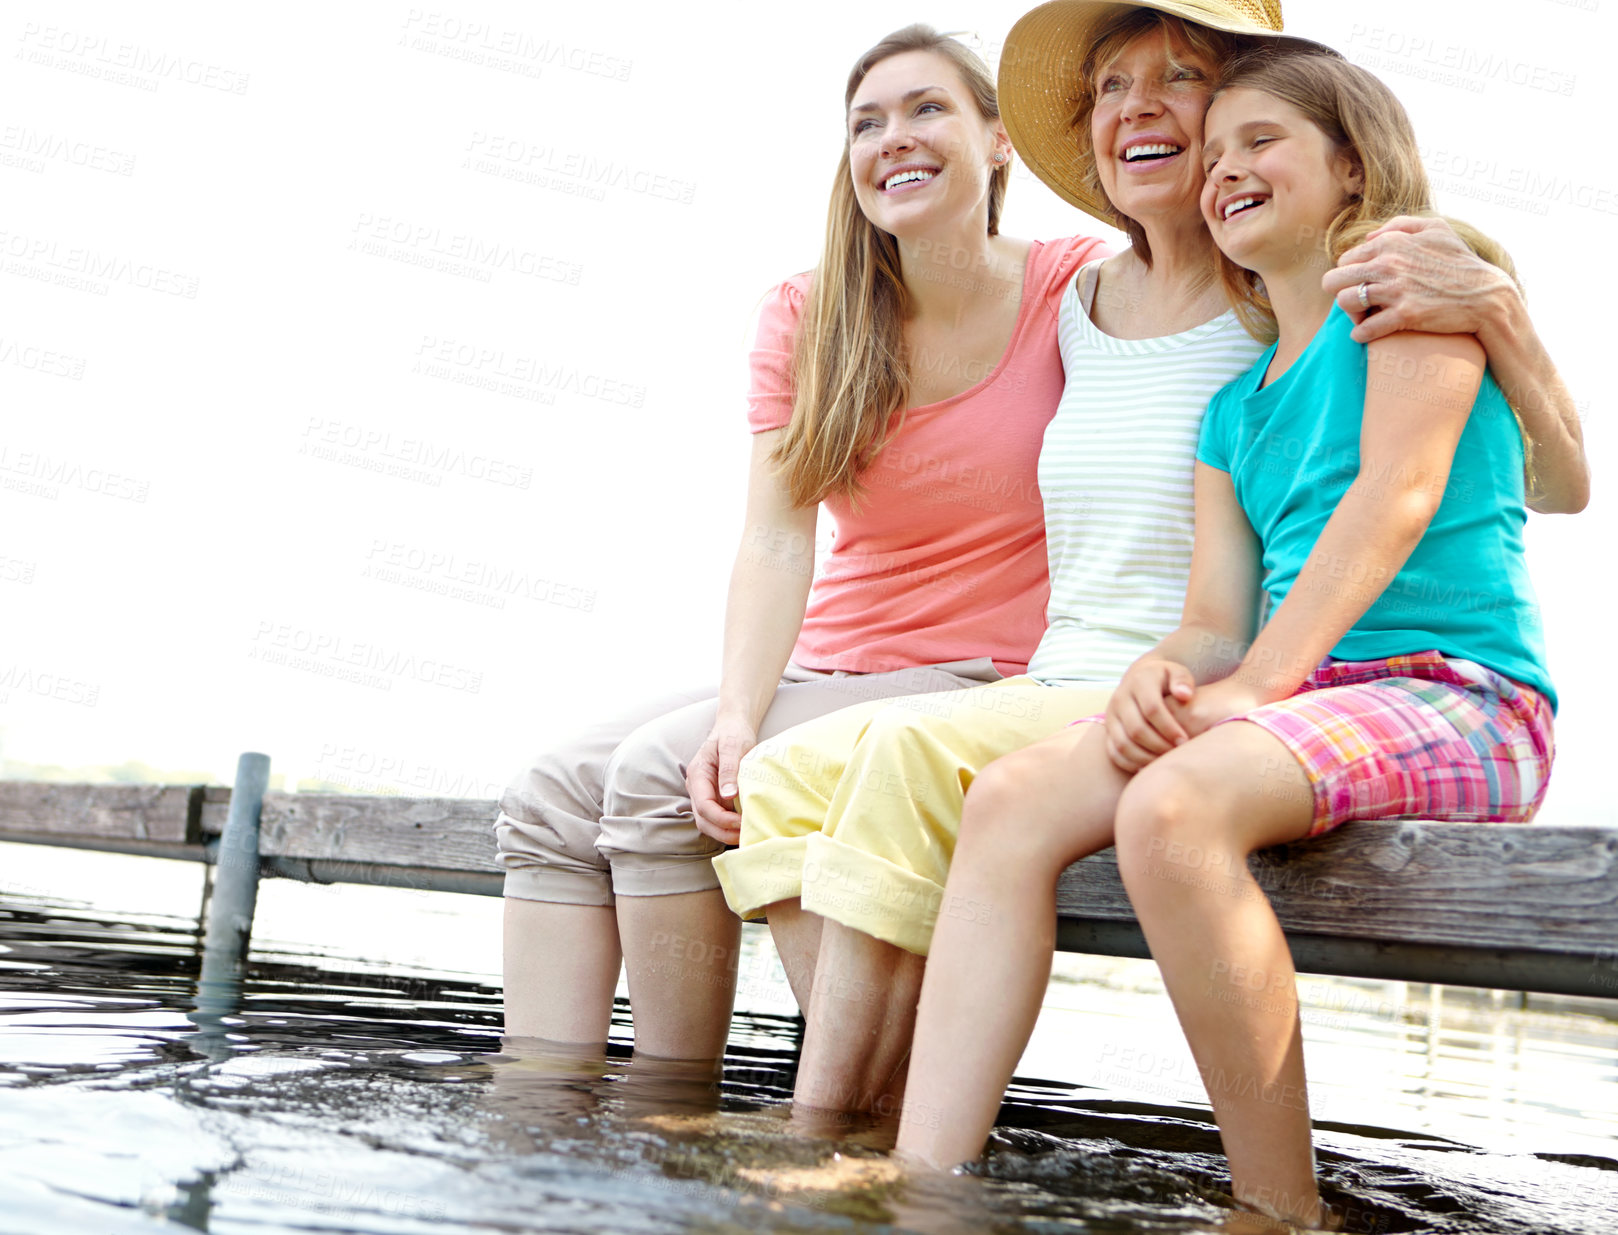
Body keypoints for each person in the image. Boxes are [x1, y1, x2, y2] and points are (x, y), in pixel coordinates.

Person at [714, 0, 1587, 1127]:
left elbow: (1505, 480)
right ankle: (875, 1117)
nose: (1142, 111)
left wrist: (1505, 318)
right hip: (1131, 673)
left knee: (917, 764)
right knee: (778, 778)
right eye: (1112, 88)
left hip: (1275, 680)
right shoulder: (1086, 306)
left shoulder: (1334, 290)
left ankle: (827, 1129)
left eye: (1182, 82)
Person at [897, 42, 1568, 1230]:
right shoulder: (1231, 408)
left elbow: (1396, 493)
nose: (1221, 170)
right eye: (1212, 157)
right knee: (1005, 799)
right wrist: (1172, 668)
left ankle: (1276, 1207)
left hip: (1458, 693)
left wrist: (1260, 679)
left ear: (1351, 170)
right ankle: (921, 1177)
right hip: (1313, 701)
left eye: (1258, 142)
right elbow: (1215, 614)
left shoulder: (1403, 300)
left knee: (1171, 806)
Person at [494, 24, 1111, 1063]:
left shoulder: (1078, 290)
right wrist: (738, 711)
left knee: (657, 772)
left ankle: (667, 1108)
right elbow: (776, 540)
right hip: (828, 662)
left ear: (998, 142)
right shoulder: (809, 310)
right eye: (865, 121)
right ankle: (542, 1109)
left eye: (926, 110)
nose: (892, 139)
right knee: (554, 784)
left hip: (975, 673)